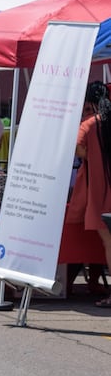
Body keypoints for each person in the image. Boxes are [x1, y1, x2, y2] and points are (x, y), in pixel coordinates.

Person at [67, 82, 111, 306]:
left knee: (108, 240)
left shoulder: (90, 124)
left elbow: (78, 149)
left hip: (101, 189)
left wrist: (91, 155)